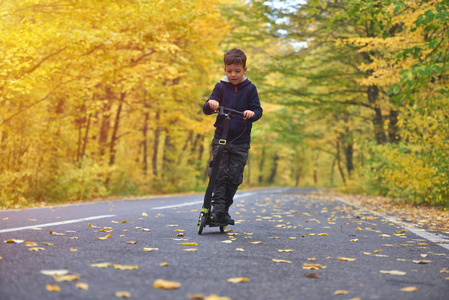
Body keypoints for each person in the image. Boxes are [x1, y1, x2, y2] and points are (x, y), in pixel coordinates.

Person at [202, 48, 263, 225]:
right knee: (219, 174)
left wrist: (252, 113)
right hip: (222, 137)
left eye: (237, 71)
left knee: (235, 177)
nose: (233, 75)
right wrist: (211, 103)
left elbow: (258, 110)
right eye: (229, 71)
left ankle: (224, 210)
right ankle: (217, 210)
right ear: (225, 70)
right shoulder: (220, 87)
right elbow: (207, 108)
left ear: (244, 70)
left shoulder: (250, 88)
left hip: (241, 140)